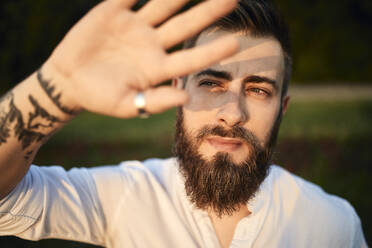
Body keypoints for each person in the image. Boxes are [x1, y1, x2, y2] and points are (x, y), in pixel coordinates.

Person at [0, 0, 367, 247]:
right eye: (211, 83)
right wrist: (55, 91)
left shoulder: (333, 224)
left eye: (258, 90)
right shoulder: (125, 195)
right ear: (179, 87)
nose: (232, 113)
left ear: (282, 107)